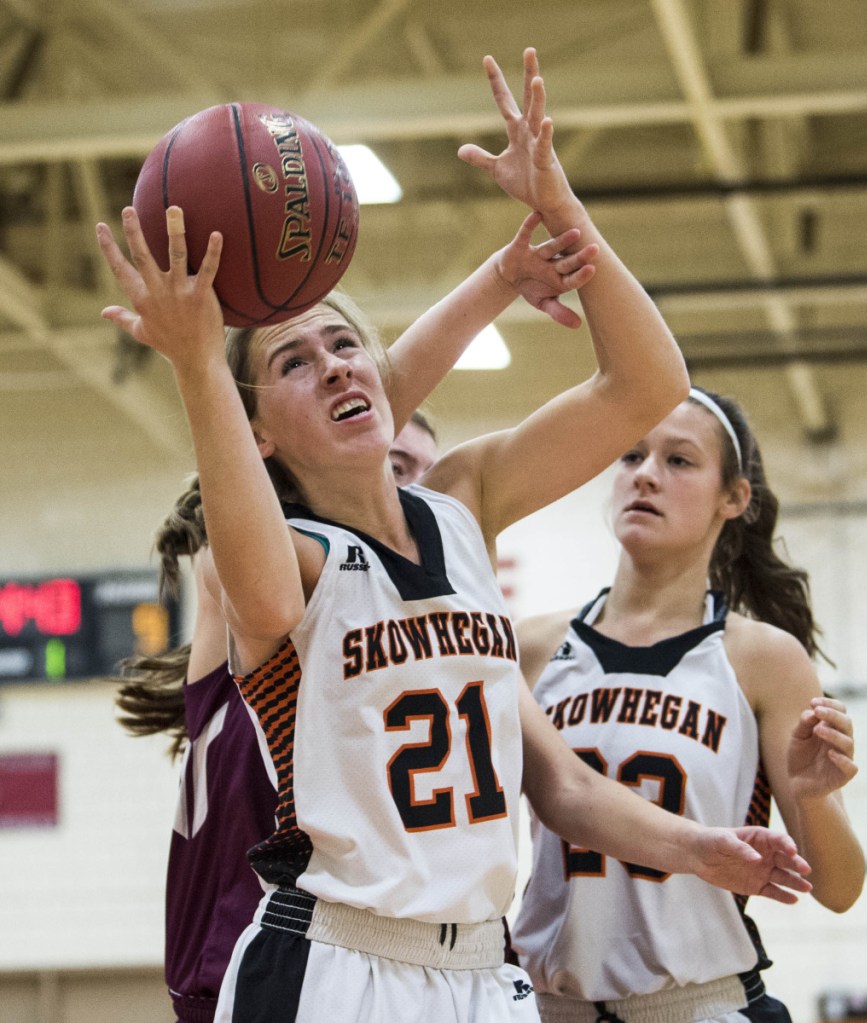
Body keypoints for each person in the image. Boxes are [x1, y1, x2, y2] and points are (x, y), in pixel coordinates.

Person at [96, 48, 811, 1023]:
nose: (337, 366)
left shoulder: (460, 503)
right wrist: (194, 364)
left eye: (347, 344)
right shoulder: (284, 564)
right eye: (296, 362)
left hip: (484, 971)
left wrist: (557, 212)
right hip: (336, 964)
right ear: (257, 427)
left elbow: (646, 389)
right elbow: (263, 562)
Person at [115, 215, 591, 1023]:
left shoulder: (398, 563)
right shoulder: (254, 565)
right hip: (271, 942)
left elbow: (361, 397)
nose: (401, 484)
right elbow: (327, 414)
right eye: (300, 361)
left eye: (412, 470)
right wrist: (200, 359)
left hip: (427, 953)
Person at [510, 386, 866, 1023]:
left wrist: (813, 796)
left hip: (694, 1005)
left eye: (678, 460)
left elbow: (840, 891)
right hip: (544, 1006)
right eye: (631, 455)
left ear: (734, 498)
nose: (646, 474)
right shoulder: (529, 645)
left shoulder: (764, 659)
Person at [114, 415, 440, 1023]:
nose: (408, 495)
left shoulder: (420, 676)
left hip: (377, 978)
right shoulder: (237, 589)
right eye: (395, 468)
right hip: (254, 976)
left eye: (425, 479)